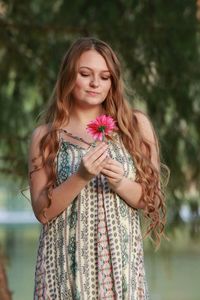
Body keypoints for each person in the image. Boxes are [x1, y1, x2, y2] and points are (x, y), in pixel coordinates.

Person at [28, 37, 167, 300]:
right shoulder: (46, 137)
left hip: (119, 270)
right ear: (69, 75)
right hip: (63, 273)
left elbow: (150, 200)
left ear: (113, 82)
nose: (95, 84)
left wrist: (121, 183)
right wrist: (81, 176)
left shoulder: (134, 126)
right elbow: (42, 212)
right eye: (85, 74)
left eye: (105, 77)